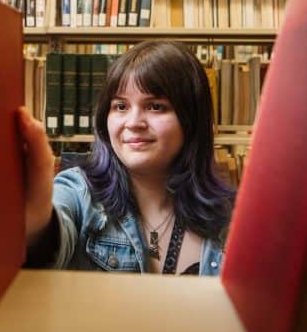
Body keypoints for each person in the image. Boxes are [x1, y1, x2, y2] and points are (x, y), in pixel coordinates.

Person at [18, 40, 235, 276]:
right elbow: (51, 242)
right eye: (121, 106)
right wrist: (37, 223)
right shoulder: (79, 192)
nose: (133, 123)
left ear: (191, 119)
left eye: (155, 106)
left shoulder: (232, 215)